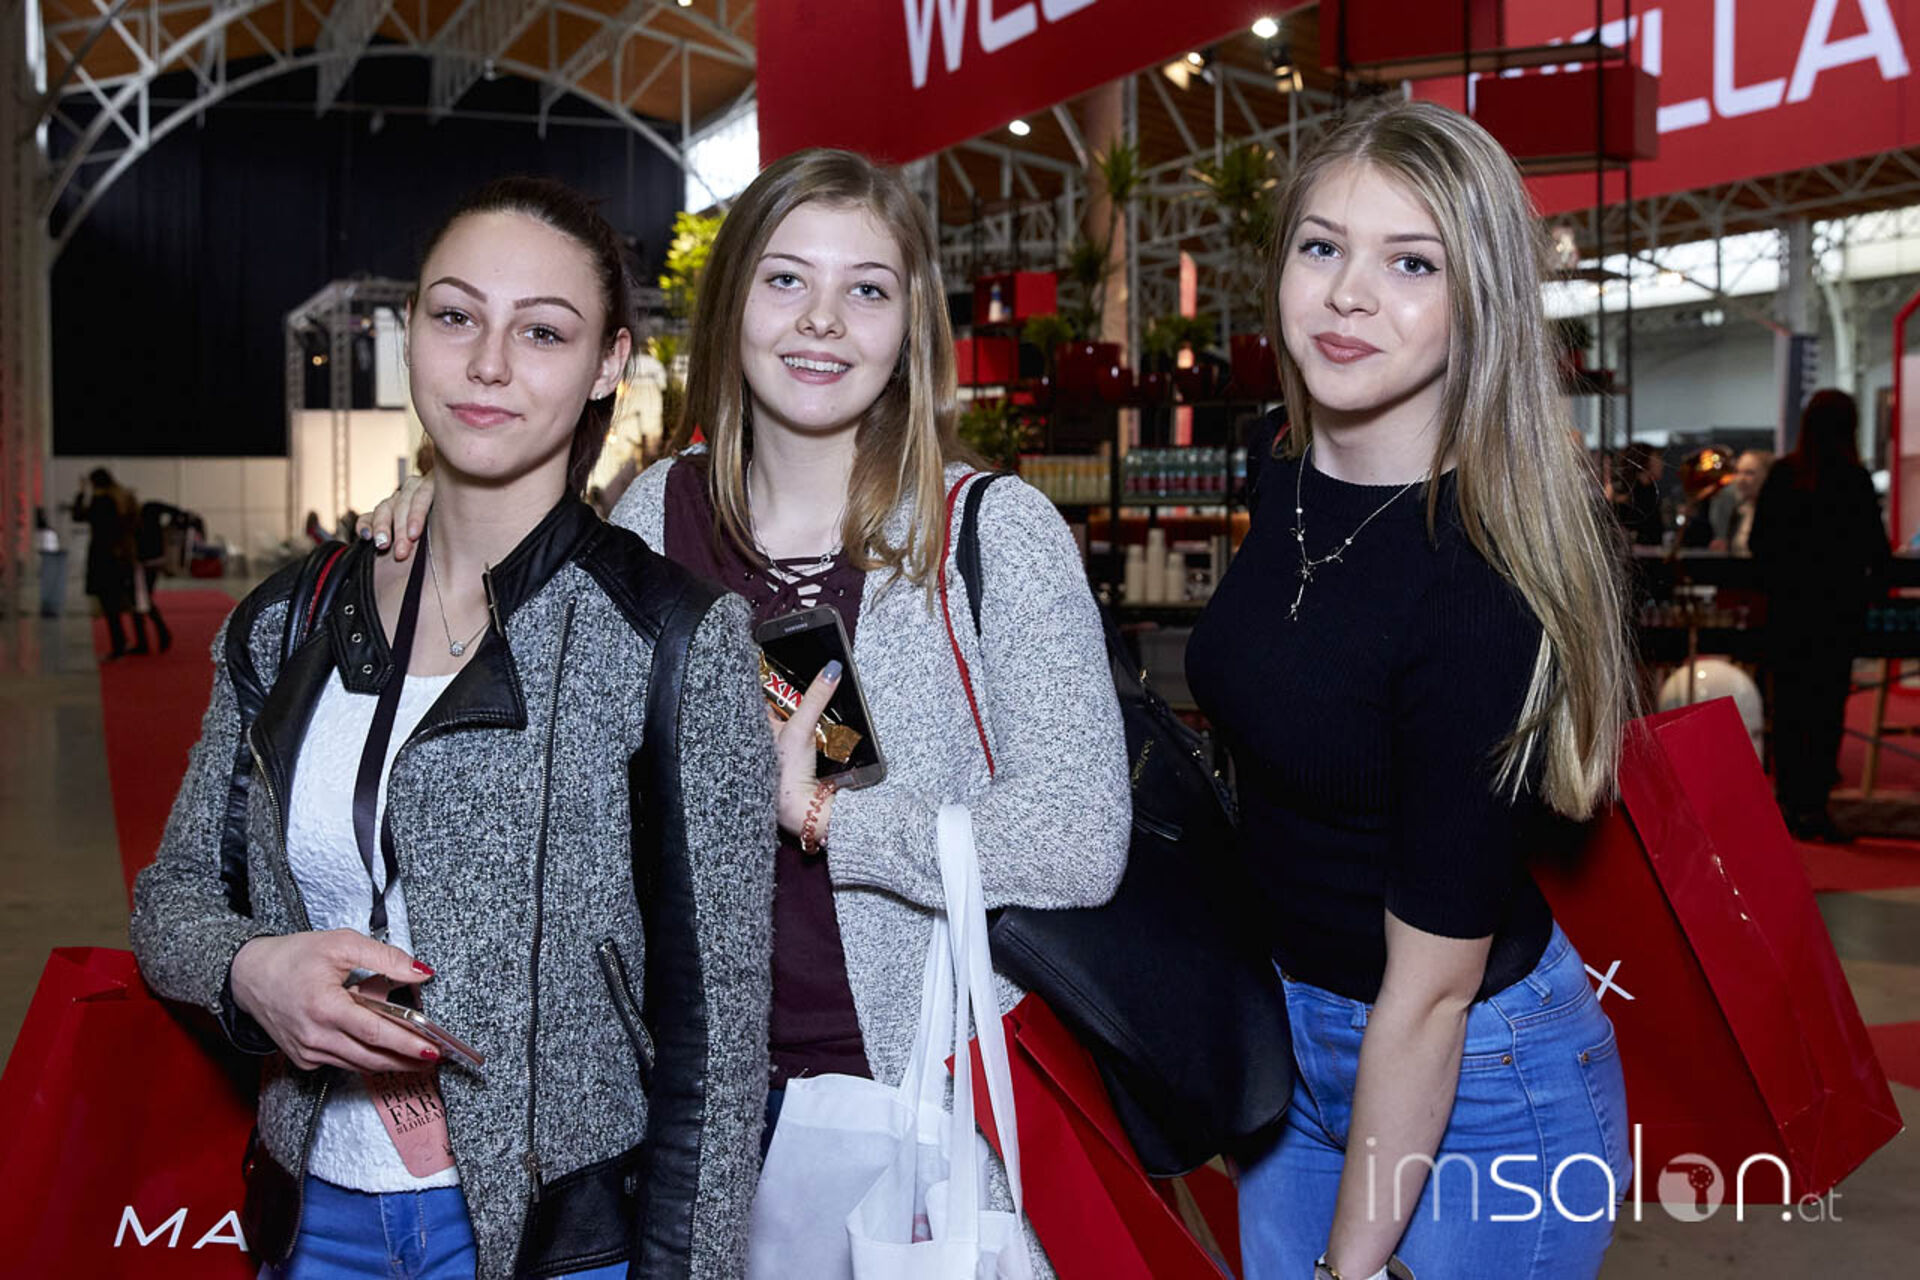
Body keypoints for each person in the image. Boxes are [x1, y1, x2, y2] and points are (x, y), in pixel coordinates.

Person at [365, 147, 1131, 1274]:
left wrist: (821, 814)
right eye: (785, 279)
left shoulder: (989, 535)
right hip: (684, 1114)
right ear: (732, 304)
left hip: (914, 1101)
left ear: (910, 328)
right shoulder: (650, 518)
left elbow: (1079, 837)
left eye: (865, 289)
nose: (822, 320)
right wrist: (451, 496)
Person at [130, 176, 775, 1279]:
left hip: (566, 1242)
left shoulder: (669, 636)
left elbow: (716, 1041)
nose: (488, 363)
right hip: (313, 1218)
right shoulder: (285, 623)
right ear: (411, 329)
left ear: (608, 363)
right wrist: (252, 970)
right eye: (456, 315)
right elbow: (172, 898)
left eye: (543, 331)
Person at [1187, 101, 1636, 1280]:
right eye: (1322, 246)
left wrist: (1348, 1268)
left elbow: (1432, 994)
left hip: (1476, 1076)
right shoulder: (1281, 468)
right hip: (1294, 1041)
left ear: (1478, 299)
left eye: (1412, 263)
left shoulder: (1478, 585)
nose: (1349, 294)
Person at [1750, 391, 1888, 842]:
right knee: (1826, 712)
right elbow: (1876, 552)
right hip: (1835, 618)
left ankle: (1788, 804)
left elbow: (1759, 544)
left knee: (1788, 710)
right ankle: (1815, 806)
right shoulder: (1855, 480)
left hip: (1788, 616)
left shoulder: (1784, 475)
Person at [73, 467, 143, 658]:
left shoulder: (102, 501)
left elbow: (79, 516)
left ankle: (119, 644)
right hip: (122, 556)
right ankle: (138, 641)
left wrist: (81, 493)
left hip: (104, 558)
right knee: (126, 600)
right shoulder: (122, 499)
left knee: (110, 604)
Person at [1709, 448, 1772, 556]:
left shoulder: (1778, 515)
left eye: (1749, 473)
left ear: (1768, 476)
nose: (1740, 479)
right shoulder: (1740, 510)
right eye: (1737, 472)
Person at [1611, 441, 1666, 547]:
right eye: (1657, 458)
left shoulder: (1650, 491)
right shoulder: (1631, 494)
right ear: (1645, 461)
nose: (1662, 464)